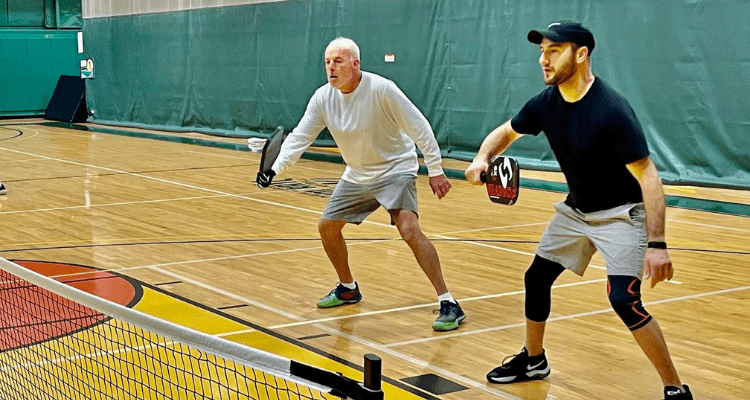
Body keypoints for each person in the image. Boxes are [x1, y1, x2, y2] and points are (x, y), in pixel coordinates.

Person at [465, 21, 692, 399]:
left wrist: (658, 244)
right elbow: (506, 131)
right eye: (541, 51)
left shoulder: (610, 110)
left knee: (624, 300)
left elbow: (649, 177)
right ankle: (534, 360)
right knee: (536, 278)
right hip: (576, 211)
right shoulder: (545, 104)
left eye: (554, 50)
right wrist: (482, 157)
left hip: (621, 214)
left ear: (581, 54)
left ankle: (675, 389)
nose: (543, 59)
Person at [257, 37, 466, 331]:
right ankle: (348, 288)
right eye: (328, 62)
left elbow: (419, 127)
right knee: (327, 227)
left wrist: (435, 169)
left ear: (355, 64)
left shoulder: (382, 90)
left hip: (395, 169)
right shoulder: (322, 98)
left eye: (338, 61)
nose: (331, 68)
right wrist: (275, 169)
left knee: (408, 229)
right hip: (357, 173)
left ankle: (449, 303)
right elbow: (300, 137)